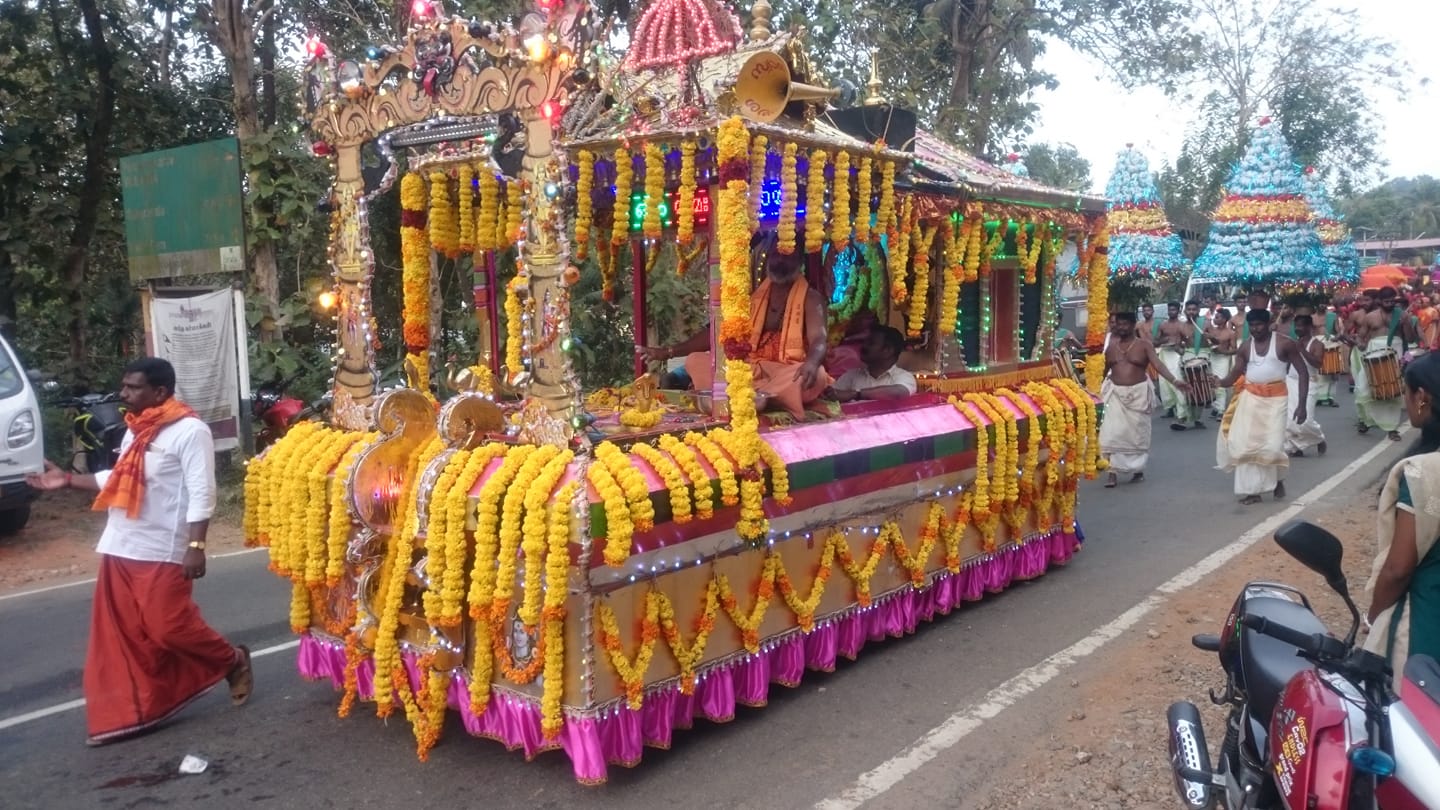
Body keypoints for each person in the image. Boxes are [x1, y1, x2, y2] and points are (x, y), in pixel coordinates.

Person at [25, 358, 252, 745]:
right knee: (125, 641)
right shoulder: (137, 429)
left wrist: (196, 546)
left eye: (132, 387)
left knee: (169, 628)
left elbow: (202, 492)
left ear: (160, 392)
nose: (124, 394)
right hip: (121, 544)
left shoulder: (189, 430)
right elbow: (117, 478)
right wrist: (66, 480)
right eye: (125, 386)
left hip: (165, 548)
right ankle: (135, 710)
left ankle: (232, 660)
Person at [643, 238, 832, 420]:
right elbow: (719, 332)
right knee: (696, 361)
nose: (780, 260)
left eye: (788, 254)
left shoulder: (811, 298)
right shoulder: (753, 297)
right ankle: (758, 398)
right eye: (776, 254)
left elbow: (819, 339)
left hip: (784, 372)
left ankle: (762, 397)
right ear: (768, 257)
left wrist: (812, 362)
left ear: (799, 259)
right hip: (748, 370)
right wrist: (669, 352)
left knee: (818, 375)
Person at [1364, 351, 1440, 675]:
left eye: (1406, 393)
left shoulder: (1424, 472)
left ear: (1421, 397)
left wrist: (1374, 616)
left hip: (1427, 628)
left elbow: (1398, 569)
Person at [1214, 309, 1310, 505]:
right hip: (1250, 398)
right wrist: (1220, 382)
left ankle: (1278, 479)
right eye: (1252, 325)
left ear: (1268, 324)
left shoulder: (1285, 343)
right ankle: (1252, 491)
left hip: (1277, 400)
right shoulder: (1245, 348)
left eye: (1259, 324)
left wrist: (1302, 405)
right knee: (1246, 445)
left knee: (1272, 447)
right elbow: (1235, 374)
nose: (1256, 329)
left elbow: (1303, 373)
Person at [1099, 312, 1190, 487]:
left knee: (1136, 435)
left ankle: (1137, 469)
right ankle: (1112, 472)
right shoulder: (1111, 348)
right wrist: (1094, 391)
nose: (1121, 327)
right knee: (1111, 433)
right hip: (1115, 394)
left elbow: (1158, 364)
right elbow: (1104, 370)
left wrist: (1175, 381)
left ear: (1134, 325)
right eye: (1119, 324)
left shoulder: (1144, 345)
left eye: (1125, 324)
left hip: (1138, 394)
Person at [1351, 286, 1414, 440]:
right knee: (1364, 389)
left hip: (1395, 353)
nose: (1390, 304)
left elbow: (1411, 339)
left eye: (1392, 301)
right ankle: (1366, 421)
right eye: (1386, 301)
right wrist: (1360, 344)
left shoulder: (1402, 316)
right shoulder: (1371, 317)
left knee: (1393, 392)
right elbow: (1361, 336)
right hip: (1373, 354)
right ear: (1380, 301)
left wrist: (1406, 323)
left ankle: (1392, 429)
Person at [827, 326, 917, 402]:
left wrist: (855, 394)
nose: (864, 346)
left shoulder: (904, 376)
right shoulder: (851, 376)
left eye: (871, 343)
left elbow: (899, 393)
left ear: (887, 350)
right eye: (865, 342)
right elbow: (831, 395)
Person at [1156, 301, 1204, 430]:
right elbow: (1157, 341)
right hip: (1174, 357)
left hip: (1192, 358)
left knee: (1193, 388)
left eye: (1194, 309)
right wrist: (1168, 343)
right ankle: (1180, 416)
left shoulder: (1197, 324)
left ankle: (1194, 418)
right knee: (1176, 386)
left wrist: (1180, 347)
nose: (1191, 312)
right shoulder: (1171, 325)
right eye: (1189, 310)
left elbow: (1196, 343)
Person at [1285, 314, 1327, 457]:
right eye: (1296, 326)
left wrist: (1301, 350)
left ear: (1309, 327)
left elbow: (1318, 363)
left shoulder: (1317, 344)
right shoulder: (1292, 342)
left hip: (1310, 382)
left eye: (1301, 326)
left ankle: (1319, 438)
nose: (1297, 329)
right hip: (1291, 381)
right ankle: (1295, 448)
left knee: (1306, 419)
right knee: (1290, 419)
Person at [1204, 307, 1238, 418]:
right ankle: (1216, 407)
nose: (1215, 319)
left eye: (1218, 317)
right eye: (1215, 317)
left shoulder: (1231, 333)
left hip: (1223, 359)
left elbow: (1234, 349)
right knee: (1212, 383)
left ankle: (1221, 410)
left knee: (1220, 382)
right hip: (1212, 357)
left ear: (1224, 319)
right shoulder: (1212, 330)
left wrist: (1223, 351)